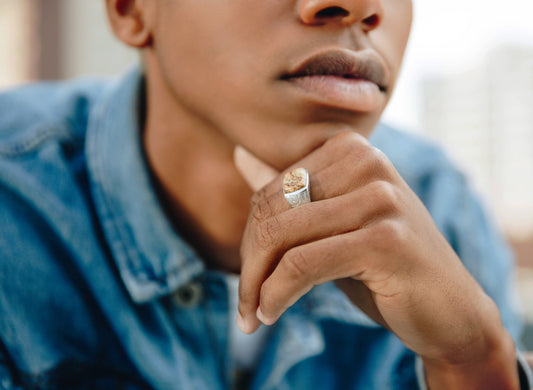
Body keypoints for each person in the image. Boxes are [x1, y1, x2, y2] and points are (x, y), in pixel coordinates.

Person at [0, 0, 531, 389]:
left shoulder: (443, 205)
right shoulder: (14, 205)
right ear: (131, 9)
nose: (360, 8)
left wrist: (474, 362)